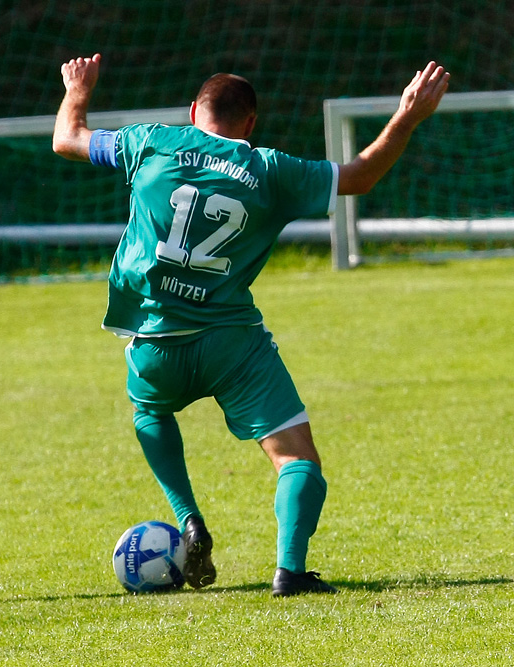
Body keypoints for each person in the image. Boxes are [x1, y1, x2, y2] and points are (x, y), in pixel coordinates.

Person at [53, 54, 449, 596]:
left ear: (193, 111)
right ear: (251, 123)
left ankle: (187, 516)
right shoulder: (270, 170)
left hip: (154, 342)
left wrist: (78, 87)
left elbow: (67, 138)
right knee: (296, 458)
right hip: (231, 345)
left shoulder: (151, 142)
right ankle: (289, 570)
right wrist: (407, 116)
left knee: (150, 412)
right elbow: (361, 176)